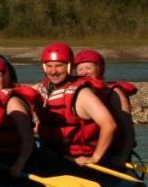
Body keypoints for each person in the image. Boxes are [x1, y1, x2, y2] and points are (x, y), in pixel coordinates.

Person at [32, 43, 119, 171]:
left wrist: (95, 158)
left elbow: (109, 125)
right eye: (49, 66)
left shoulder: (82, 94)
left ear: (69, 66)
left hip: (79, 160)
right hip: (52, 154)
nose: (53, 71)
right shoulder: (45, 88)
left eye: (59, 66)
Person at [0, 55, 39, 180]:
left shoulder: (13, 102)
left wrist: (19, 165)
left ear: (6, 77)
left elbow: (28, 139)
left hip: (15, 160)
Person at [73, 49, 138, 166]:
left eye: (88, 68)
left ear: (100, 69)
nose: (83, 72)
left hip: (110, 155)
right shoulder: (78, 92)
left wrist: (122, 157)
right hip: (84, 152)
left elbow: (128, 131)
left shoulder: (114, 92)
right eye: (80, 69)